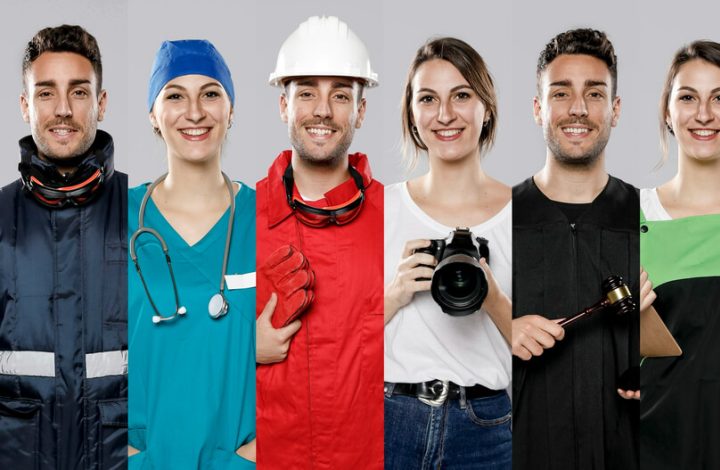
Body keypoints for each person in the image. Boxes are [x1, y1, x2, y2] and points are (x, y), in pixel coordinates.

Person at [512, 28, 645, 469]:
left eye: (594, 93)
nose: (578, 109)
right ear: (537, 109)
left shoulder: (650, 220)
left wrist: (663, 379)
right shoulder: (498, 220)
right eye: (560, 93)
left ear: (615, 109)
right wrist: (499, 332)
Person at [255, 16, 384, 469]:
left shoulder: (398, 218)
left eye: (341, 95)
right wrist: (237, 348)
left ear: (361, 112)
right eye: (307, 91)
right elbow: (177, 350)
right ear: (284, 106)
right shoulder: (236, 219)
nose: (323, 110)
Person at [0, 24, 127, 470]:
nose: (62, 110)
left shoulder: (148, 212)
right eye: (45, 93)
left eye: (78, 92)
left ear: (101, 102)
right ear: (24, 105)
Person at [383, 36, 513, 469]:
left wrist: (492, 296)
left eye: (461, 95)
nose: (444, 115)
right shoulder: (378, 208)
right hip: (391, 417)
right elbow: (337, 340)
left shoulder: (525, 212)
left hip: (486, 424)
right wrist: (394, 294)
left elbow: (546, 351)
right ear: (411, 113)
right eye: (428, 99)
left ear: (486, 106)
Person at [126, 40, 255, 469]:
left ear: (231, 110)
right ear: (153, 114)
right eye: (175, 95)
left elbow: (316, 350)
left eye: (211, 94)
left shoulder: (267, 217)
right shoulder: (116, 218)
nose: (195, 112)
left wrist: (261, 449)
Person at [639, 40, 720, 469]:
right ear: (667, 112)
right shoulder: (628, 217)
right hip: (654, 448)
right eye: (688, 97)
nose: (704, 114)